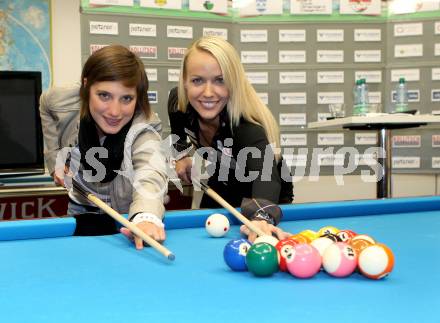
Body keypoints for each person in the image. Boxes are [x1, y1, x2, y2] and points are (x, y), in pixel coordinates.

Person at [40, 45, 168, 249]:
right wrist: (55, 160)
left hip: (126, 216)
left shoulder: (145, 126)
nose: (115, 111)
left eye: (126, 98)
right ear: (86, 85)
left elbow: (150, 172)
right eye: (104, 96)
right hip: (81, 209)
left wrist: (146, 216)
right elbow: (45, 104)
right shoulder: (62, 100)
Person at [168, 36, 293, 242]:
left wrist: (262, 217)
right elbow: (177, 133)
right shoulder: (178, 103)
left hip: (264, 193)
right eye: (197, 80)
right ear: (185, 82)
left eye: (220, 80)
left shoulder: (246, 128)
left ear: (233, 83)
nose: (208, 93)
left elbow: (266, 178)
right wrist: (181, 156)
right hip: (223, 178)